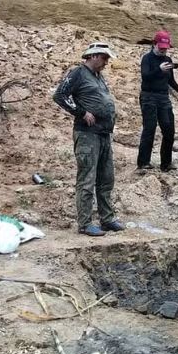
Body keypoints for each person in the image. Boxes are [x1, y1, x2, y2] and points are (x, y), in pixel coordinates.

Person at [53, 42, 125, 236]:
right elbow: (60, 95)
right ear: (93, 56)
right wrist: (81, 112)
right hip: (87, 134)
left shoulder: (98, 76)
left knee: (106, 178)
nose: (106, 62)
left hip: (103, 133)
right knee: (87, 179)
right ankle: (85, 223)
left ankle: (107, 218)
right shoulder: (78, 73)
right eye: (104, 58)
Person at [137, 30, 178, 173]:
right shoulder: (147, 58)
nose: (163, 50)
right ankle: (143, 162)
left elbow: (170, 79)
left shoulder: (168, 59)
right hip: (148, 96)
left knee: (169, 129)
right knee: (149, 129)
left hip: (164, 97)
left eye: (166, 48)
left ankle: (166, 163)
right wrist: (159, 69)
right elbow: (145, 76)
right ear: (154, 44)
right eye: (161, 47)